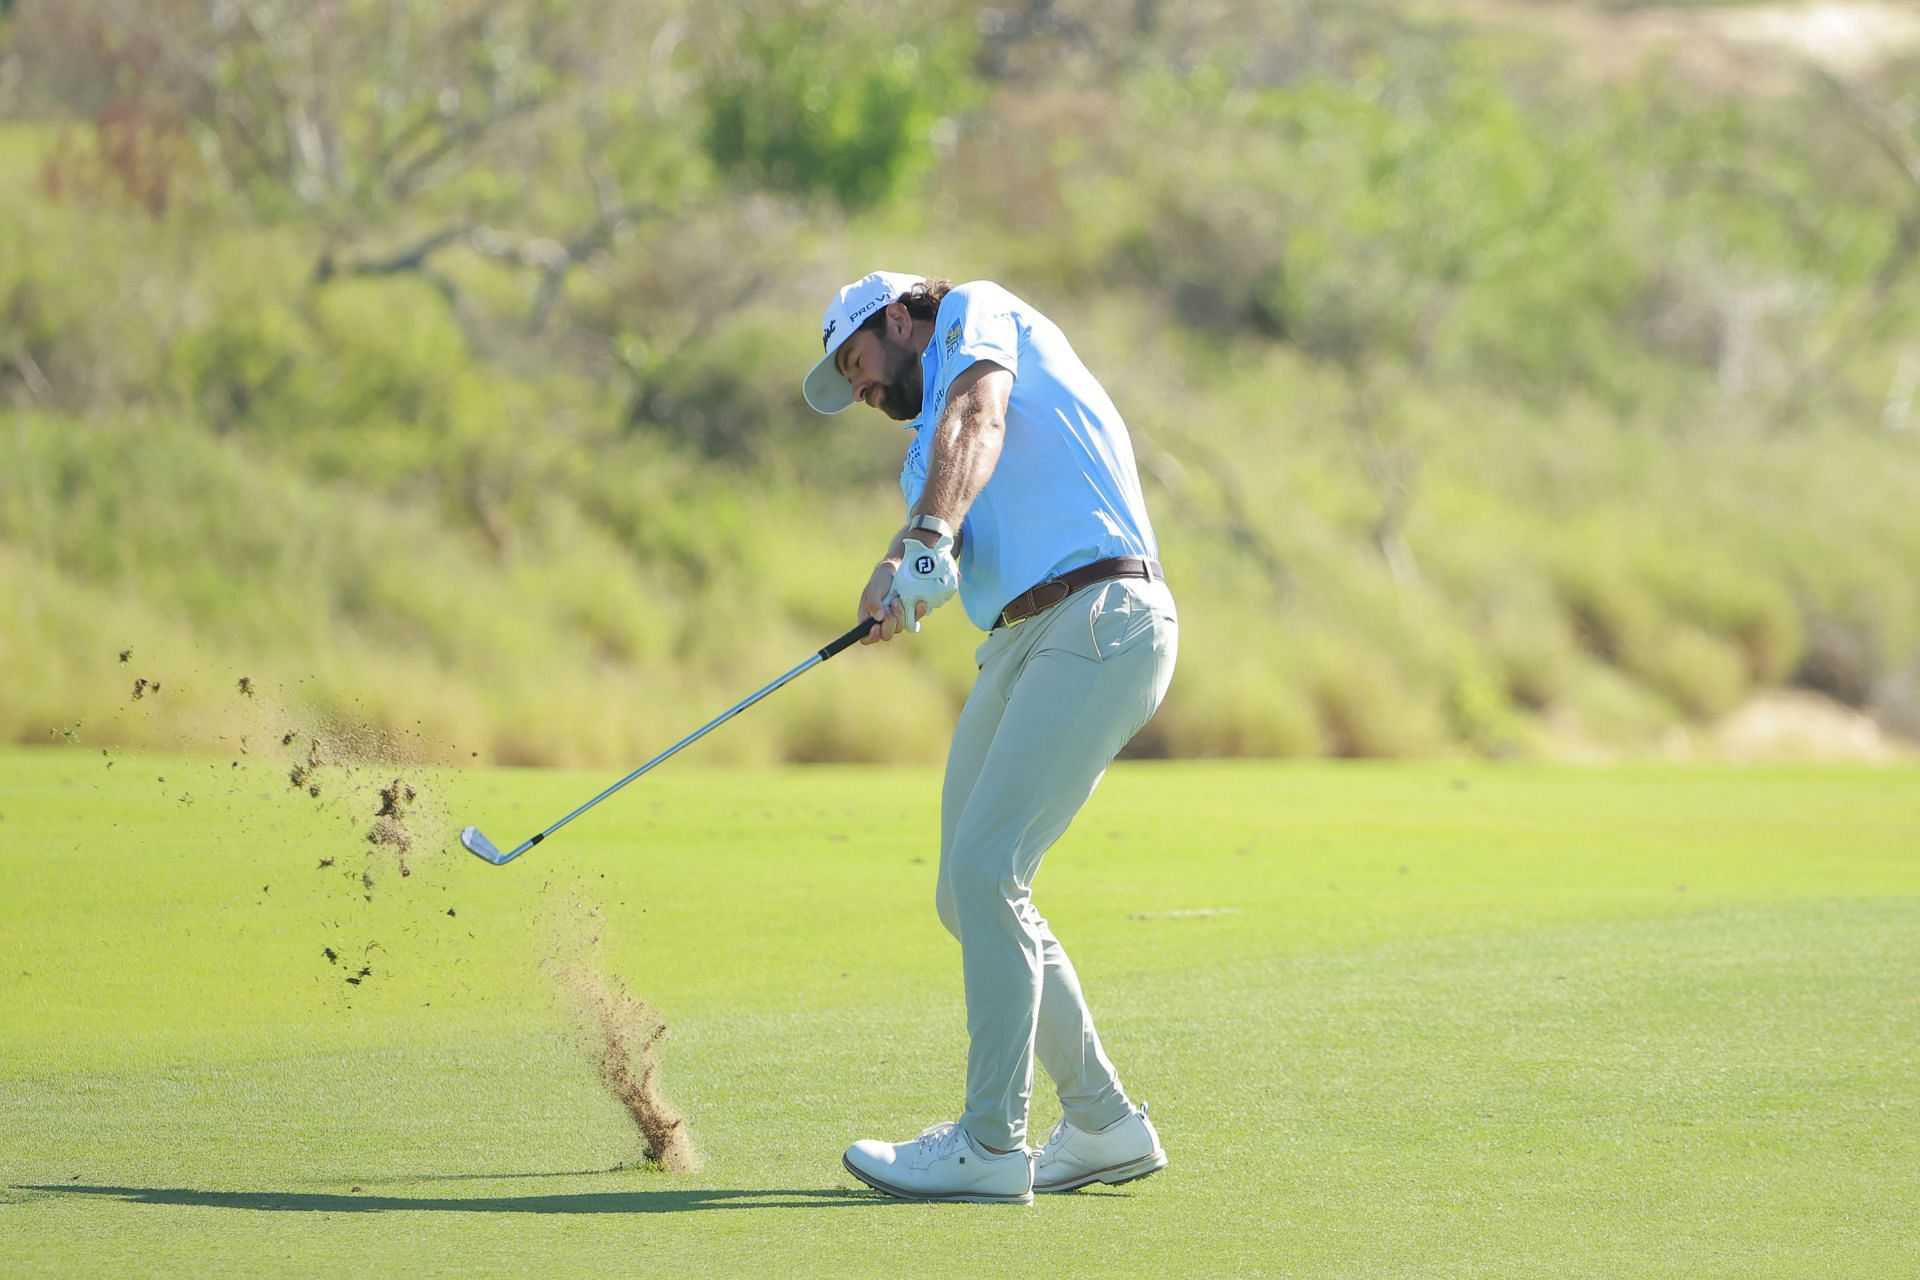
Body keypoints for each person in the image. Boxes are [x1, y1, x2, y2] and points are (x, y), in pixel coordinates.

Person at [801, 271, 1179, 1204]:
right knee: (962, 894)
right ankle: (1102, 1123)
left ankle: (989, 1143)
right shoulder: (921, 453)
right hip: (1016, 643)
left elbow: (980, 413)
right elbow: (944, 516)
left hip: (1099, 610)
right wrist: (901, 570)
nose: (860, 390)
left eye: (857, 363)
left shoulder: (974, 311)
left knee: (987, 870)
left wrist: (927, 533)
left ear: (899, 319)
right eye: (849, 384)